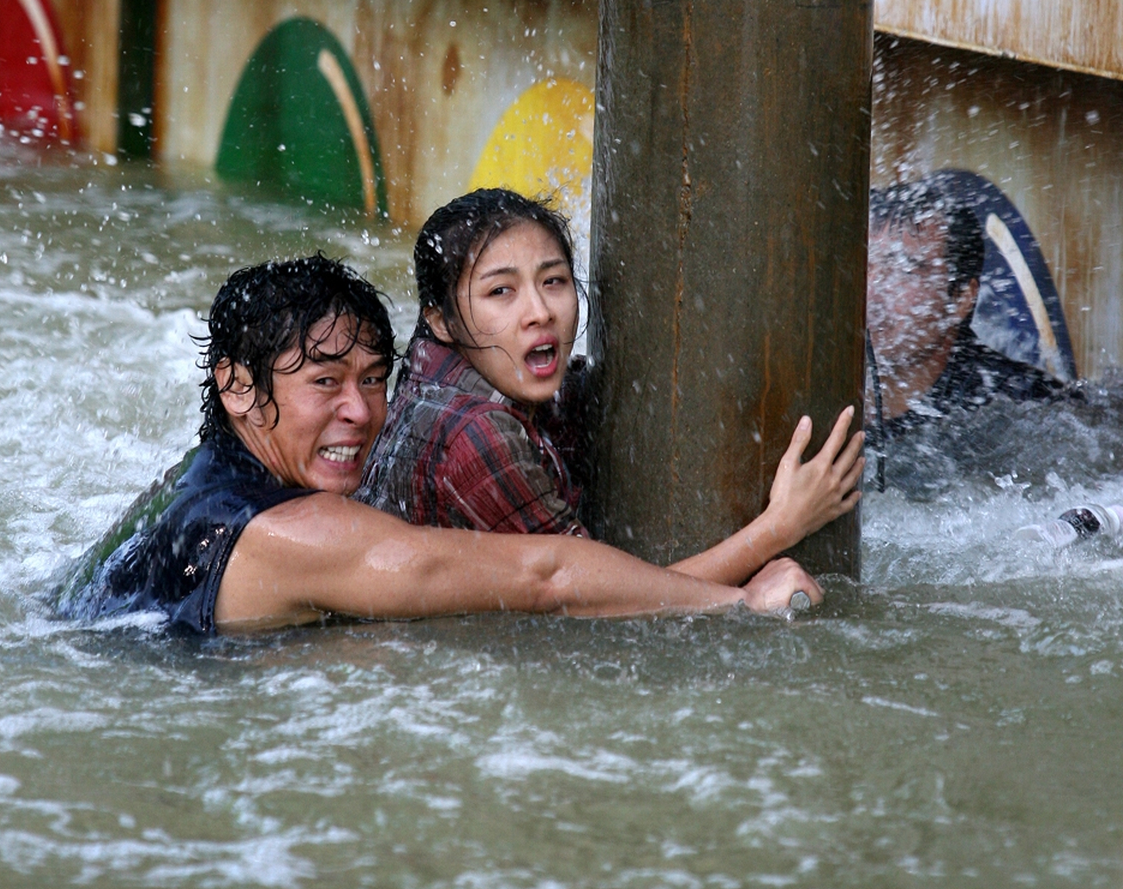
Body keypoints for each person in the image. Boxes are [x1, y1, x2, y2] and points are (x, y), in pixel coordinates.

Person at [58, 249, 858, 636]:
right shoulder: (301, 534)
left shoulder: (198, 475)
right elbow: (547, 579)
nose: (360, 410)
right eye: (325, 382)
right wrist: (752, 579)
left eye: (374, 379)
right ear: (236, 385)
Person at [357, 188, 864, 586]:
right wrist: (780, 527)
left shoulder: (432, 379)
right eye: (501, 291)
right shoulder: (478, 436)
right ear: (441, 320)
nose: (540, 312)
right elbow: (599, 602)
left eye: (553, 281)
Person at [866, 181, 1062, 442]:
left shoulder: (1024, 408)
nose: (871, 292)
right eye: (866, 265)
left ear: (960, 299)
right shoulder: (819, 383)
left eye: (904, 270)